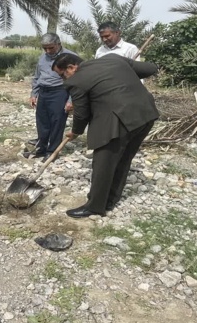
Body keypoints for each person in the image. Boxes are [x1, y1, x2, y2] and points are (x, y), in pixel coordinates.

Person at [53, 52, 159, 218]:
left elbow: (81, 114)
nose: (63, 79)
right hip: (145, 114)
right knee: (124, 158)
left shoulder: (76, 81)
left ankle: (95, 206)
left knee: (104, 163)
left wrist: (76, 132)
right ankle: (111, 199)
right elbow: (150, 68)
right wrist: (124, 70)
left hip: (118, 119)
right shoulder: (113, 59)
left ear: (72, 67)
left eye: (62, 74)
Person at [29, 33, 75, 160]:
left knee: (57, 122)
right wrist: (34, 93)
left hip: (60, 91)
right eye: (45, 48)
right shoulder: (42, 57)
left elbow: (77, 81)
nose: (48, 51)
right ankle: (41, 148)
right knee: (42, 121)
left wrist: (71, 100)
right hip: (43, 91)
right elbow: (37, 77)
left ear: (58, 44)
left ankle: (52, 151)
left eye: (51, 48)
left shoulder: (70, 57)